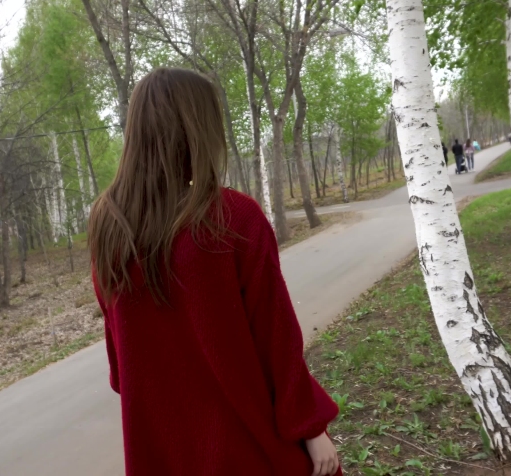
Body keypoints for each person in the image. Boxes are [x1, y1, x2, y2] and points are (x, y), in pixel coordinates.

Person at [88, 68, 341, 476]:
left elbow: (122, 370)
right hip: (244, 446)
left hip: (162, 453)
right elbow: (275, 340)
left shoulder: (108, 225)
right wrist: (310, 428)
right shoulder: (233, 218)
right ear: (199, 129)